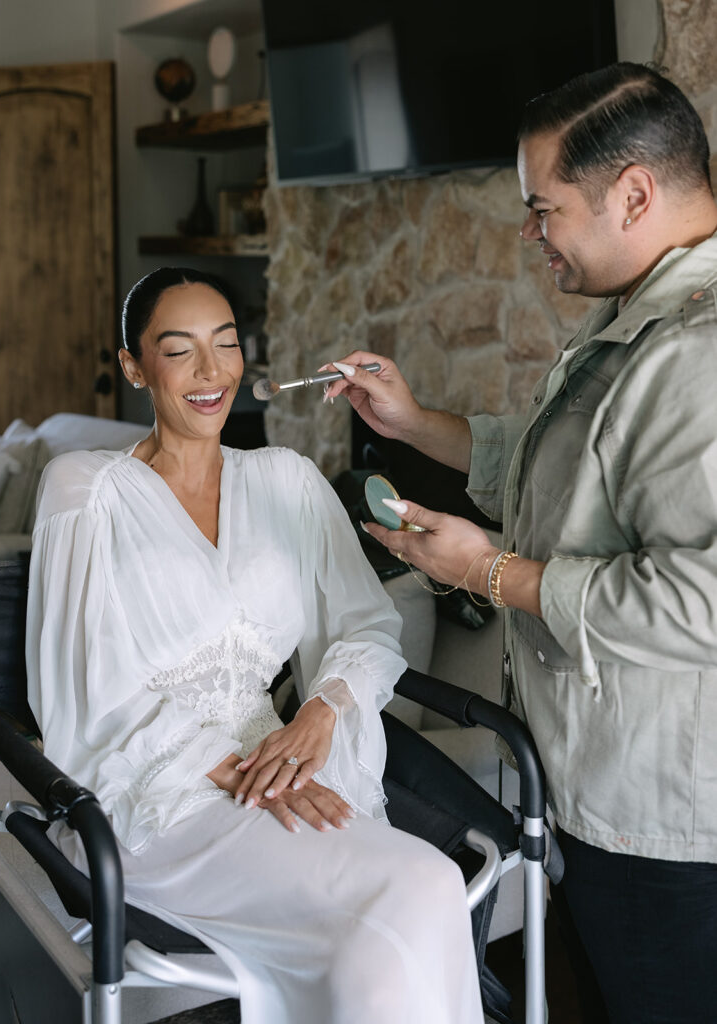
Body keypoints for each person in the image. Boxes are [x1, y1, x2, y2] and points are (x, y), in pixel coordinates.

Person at [324, 63, 717, 1024]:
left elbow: (701, 600)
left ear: (633, 192)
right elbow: (565, 475)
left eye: (544, 210)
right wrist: (414, 423)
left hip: (667, 825)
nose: (530, 235)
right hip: (593, 787)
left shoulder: (700, 354)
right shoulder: (637, 316)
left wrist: (489, 573)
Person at [25, 267, 482, 1024]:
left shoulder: (288, 481)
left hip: (289, 758)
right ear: (135, 365)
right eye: (180, 351)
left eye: (227, 344)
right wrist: (241, 772)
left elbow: (365, 623)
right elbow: (88, 692)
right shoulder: (85, 490)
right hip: (157, 792)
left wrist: (321, 714)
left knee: (379, 933)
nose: (211, 372)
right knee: (423, 884)